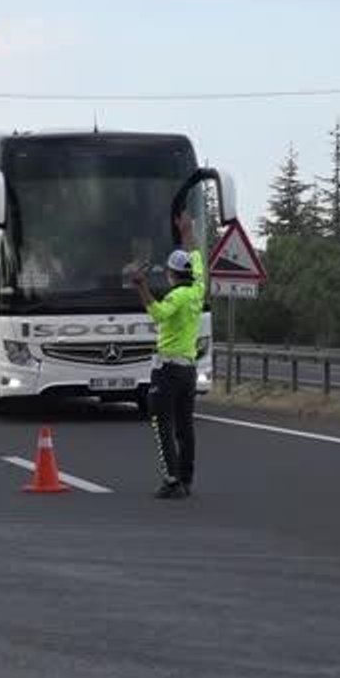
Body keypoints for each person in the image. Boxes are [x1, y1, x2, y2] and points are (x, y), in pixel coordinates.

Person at [132, 211, 206, 499]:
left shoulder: (177, 296)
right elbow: (196, 252)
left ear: (172, 275)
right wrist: (186, 230)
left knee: (162, 422)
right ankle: (186, 478)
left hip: (168, 369)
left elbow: (159, 315)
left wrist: (141, 287)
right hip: (188, 369)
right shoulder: (198, 289)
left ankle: (172, 480)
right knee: (185, 426)